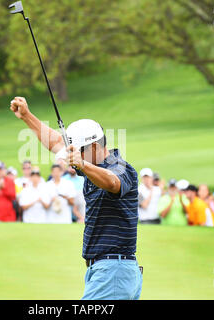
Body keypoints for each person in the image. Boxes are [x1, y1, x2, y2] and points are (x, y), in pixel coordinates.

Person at [10, 96, 142, 300]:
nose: (72, 157)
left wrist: (83, 165)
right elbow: (55, 141)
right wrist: (27, 116)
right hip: (107, 271)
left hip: (113, 270)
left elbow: (112, 183)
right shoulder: (90, 166)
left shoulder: (120, 167)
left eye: (78, 152)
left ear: (95, 148)